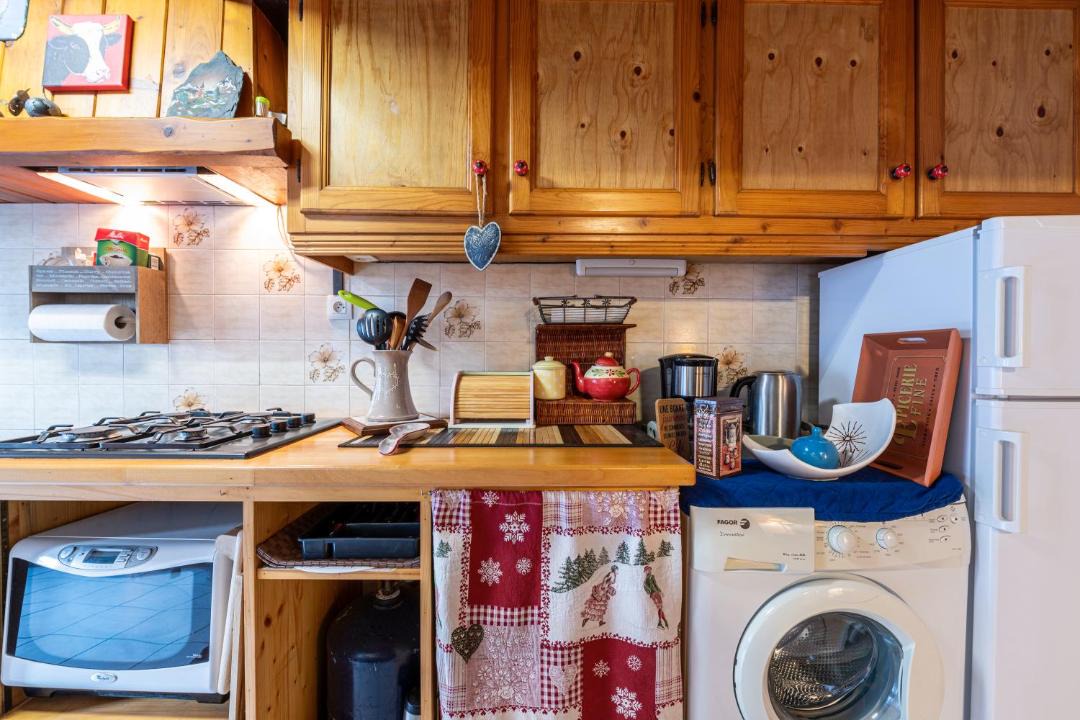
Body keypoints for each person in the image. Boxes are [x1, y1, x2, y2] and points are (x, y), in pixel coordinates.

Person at [643, 565, 668, 629]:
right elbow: (654, 585)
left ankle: (664, 621)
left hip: (654, 594)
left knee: (660, 608)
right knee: (660, 607)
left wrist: (659, 591)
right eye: (647, 570)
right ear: (646, 571)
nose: (648, 571)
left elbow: (655, 585)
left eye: (649, 569)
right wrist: (658, 591)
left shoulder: (649, 578)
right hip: (655, 593)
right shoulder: (649, 578)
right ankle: (660, 623)